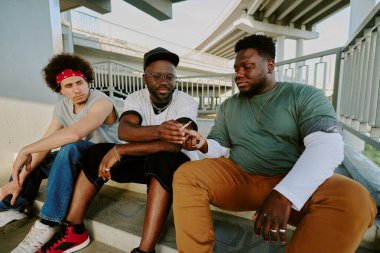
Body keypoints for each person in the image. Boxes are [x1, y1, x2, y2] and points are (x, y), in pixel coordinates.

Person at [172, 34, 377, 253]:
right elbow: (219, 145)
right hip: (241, 176)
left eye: (247, 67)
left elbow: (328, 145)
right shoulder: (229, 106)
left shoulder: (304, 95)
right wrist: (203, 144)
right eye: (236, 69)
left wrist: (286, 194)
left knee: (355, 199)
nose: (239, 74)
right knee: (186, 174)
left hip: (291, 179)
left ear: (270, 66)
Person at [38, 47, 198, 253]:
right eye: (156, 76)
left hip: (175, 165)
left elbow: (176, 144)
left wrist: (121, 151)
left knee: (162, 158)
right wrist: (161, 130)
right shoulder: (136, 98)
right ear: (145, 78)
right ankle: (74, 230)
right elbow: (125, 131)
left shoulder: (185, 101)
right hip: (142, 160)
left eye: (169, 76)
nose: (163, 81)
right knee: (96, 152)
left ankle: (145, 249)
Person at [0, 53, 121, 253]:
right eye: (69, 86)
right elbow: (45, 143)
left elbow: (75, 134)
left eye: (80, 82)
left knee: (68, 148)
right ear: (60, 90)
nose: (77, 90)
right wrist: (17, 178)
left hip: (104, 155)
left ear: (87, 81)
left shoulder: (102, 101)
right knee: (36, 158)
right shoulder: (62, 107)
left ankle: (49, 222)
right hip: (78, 154)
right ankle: (11, 206)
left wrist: (25, 149)